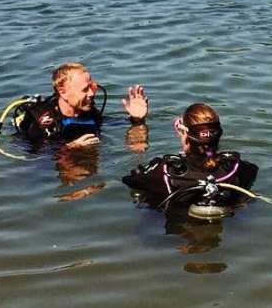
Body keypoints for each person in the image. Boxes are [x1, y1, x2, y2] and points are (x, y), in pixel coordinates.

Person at [121, 103, 258, 213]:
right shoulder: (237, 169)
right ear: (218, 136)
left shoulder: (165, 173)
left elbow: (131, 180)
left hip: (174, 234)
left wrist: (137, 125)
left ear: (184, 134)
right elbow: (253, 171)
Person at [15, 62, 149, 149]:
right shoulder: (41, 123)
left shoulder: (90, 113)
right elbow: (35, 164)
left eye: (92, 87)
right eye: (85, 89)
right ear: (63, 93)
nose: (91, 94)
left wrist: (137, 120)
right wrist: (70, 147)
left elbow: (108, 124)